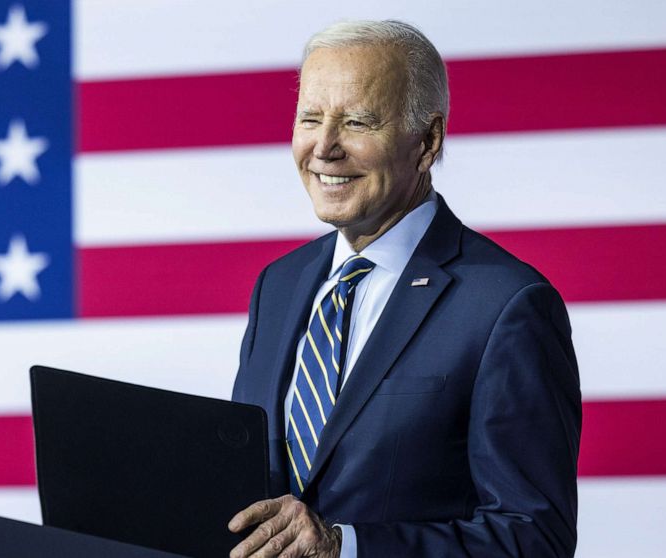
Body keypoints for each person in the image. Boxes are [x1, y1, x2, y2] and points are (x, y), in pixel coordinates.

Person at [228, 20, 580, 557]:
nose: (324, 148)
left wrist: (344, 548)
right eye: (310, 119)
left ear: (428, 140)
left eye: (357, 123)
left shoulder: (506, 306)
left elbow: (534, 539)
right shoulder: (278, 284)